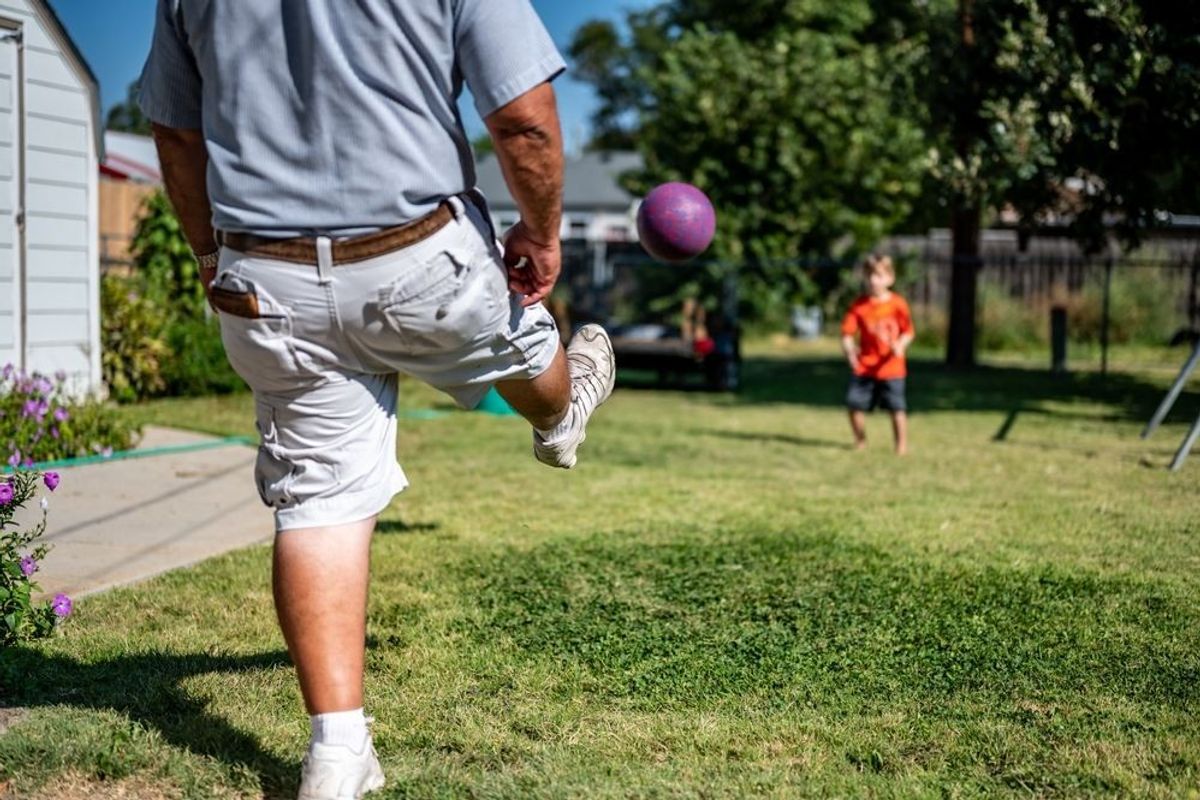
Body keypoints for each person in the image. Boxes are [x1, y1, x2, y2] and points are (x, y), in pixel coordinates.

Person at [137, 2, 614, 798]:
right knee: (533, 345)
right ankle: (560, 415)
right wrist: (541, 232)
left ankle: (335, 752)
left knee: (318, 502)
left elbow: (177, 134)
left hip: (268, 275)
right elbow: (524, 119)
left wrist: (206, 254)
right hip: (417, 256)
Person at [841, 255, 914, 454]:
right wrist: (849, 350)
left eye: (879, 275)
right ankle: (860, 441)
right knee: (854, 404)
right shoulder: (859, 306)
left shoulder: (898, 304)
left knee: (896, 408)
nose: (874, 280)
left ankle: (901, 446)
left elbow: (908, 331)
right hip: (865, 366)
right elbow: (847, 333)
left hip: (892, 367)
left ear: (890, 278)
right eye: (870, 275)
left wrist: (900, 345)